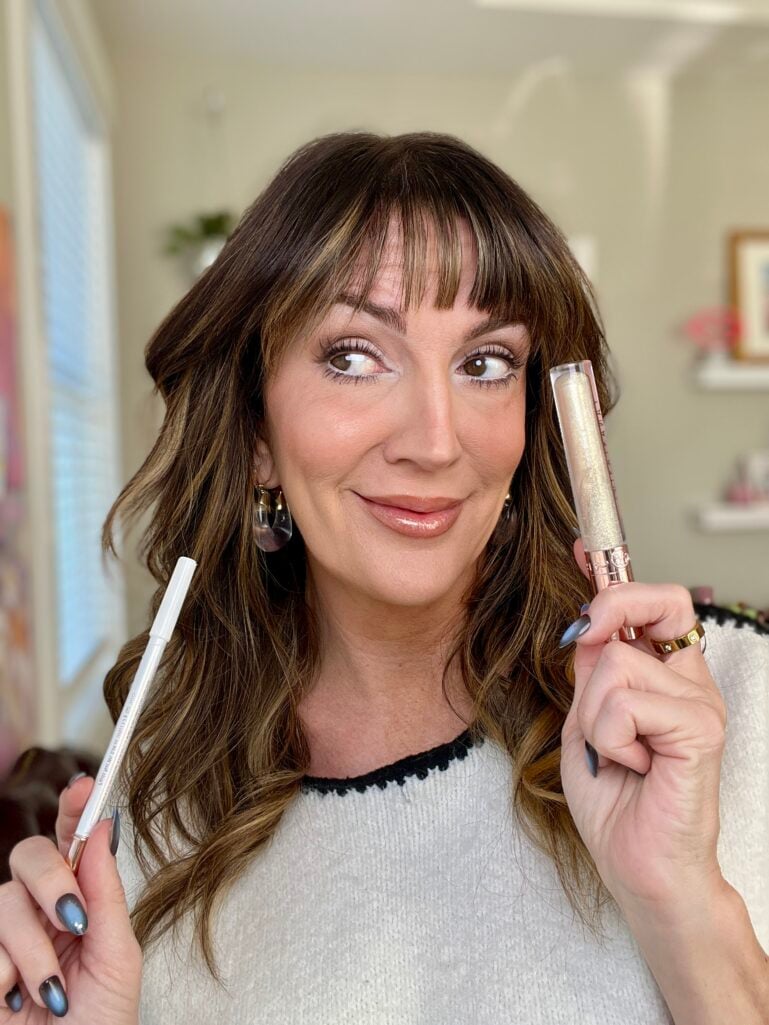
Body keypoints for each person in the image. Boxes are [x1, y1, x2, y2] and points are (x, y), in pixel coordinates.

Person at [2, 131, 768, 1024]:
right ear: (256, 429)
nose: (435, 441)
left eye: (485, 363)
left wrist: (680, 899)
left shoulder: (734, 707)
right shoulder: (160, 793)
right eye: (353, 356)